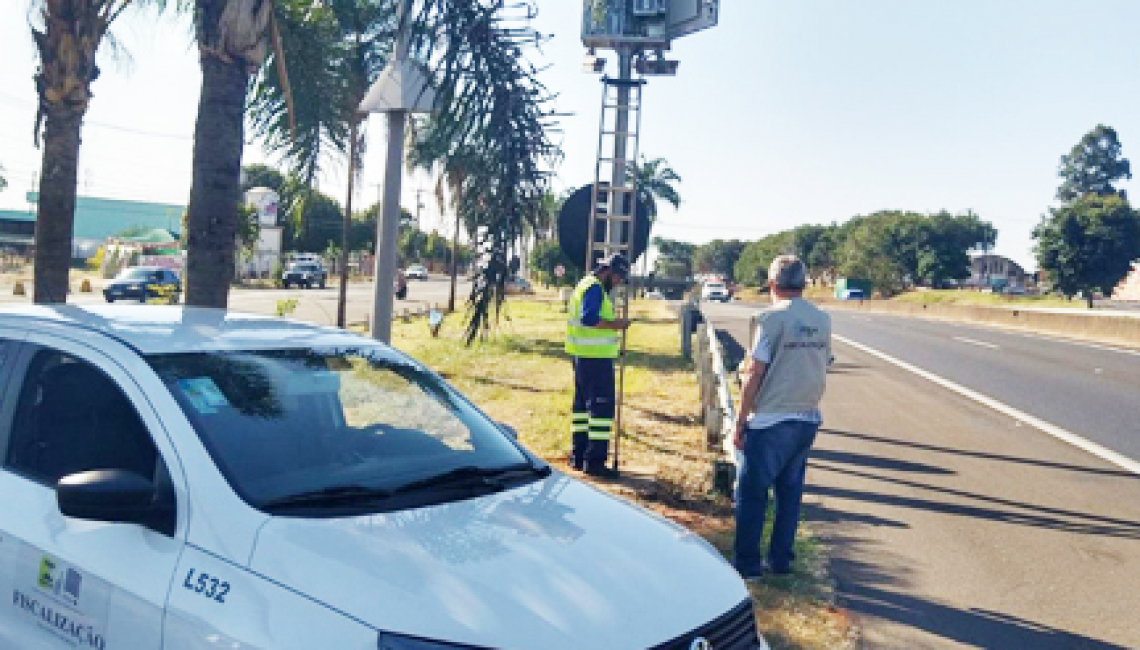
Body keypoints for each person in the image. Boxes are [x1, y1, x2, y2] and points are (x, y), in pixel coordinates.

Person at [732, 255, 832, 579]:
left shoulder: (769, 319)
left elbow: (755, 373)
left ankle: (748, 565)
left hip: (772, 419)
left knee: (752, 493)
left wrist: (741, 419)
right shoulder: (822, 319)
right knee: (790, 494)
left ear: (773, 284)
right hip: (807, 418)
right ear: (803, 284)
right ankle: (781, 560)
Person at [565, 253, 631, 478]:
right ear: (609, 272)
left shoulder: (586, 283)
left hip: (583, 355)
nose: (618, 283)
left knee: (582, 408)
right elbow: (589, 319)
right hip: (594, 358)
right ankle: (594, 462)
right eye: (618, 278)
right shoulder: (594, 288)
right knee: (601, 409)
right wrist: (617, 325)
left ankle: (579, 455)